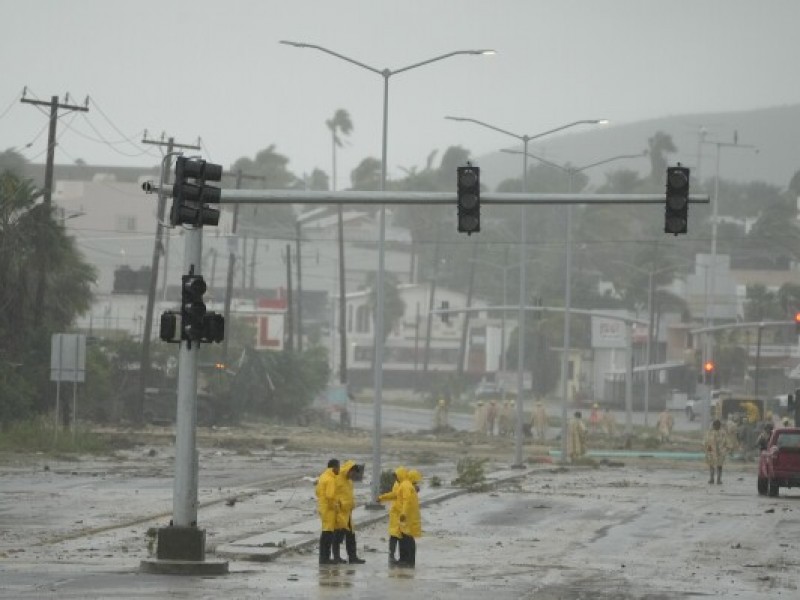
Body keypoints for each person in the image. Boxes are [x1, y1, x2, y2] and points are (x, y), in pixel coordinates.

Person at [334, 461, 366, 564]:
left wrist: (352, 504)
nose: (353, 475)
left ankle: (353, 557)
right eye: (352, 472)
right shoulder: (337, 479)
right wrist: (340, 505)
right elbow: (332, 495)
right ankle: (336, 557)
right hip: (339, 513)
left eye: (355, 473)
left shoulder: (349, 482)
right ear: (348, 470)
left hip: (348, 513)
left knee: (351, 536)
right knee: (337, 537)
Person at [377, 466, 407, 565]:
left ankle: (402, 557)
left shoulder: (404, 485)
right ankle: (392, 556)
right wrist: (382, 497)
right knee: (394, 535)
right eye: (395, 477)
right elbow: (394, 494)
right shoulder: (397, 484)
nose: (396, 478)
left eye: (397, 476)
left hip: (402, 513)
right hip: (395, 513)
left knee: (402, 536)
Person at [315, 458, 340, 564]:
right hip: (329, 510)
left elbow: (317, 492)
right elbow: (330, 496)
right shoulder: (330, 479)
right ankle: (325, 558)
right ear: (334, 467)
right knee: (328, 535)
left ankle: (323, 557)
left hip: (322, 508)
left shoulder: (323, 477)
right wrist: (335, 507)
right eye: (338, 467)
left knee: (325, 533)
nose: (339, 469)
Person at [397, 468, 422, 568]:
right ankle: (409, 561)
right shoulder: (411, 487)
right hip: (411, 516)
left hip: (407, 516)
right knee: (408, 538)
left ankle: (408, 561)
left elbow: (406, 501)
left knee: (407, 538)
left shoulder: (407, 486)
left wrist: (403, 513)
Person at [704, 419, 730, 485]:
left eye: (717, 425)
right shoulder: (710, 432)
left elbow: (727, 443)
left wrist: (725, 450)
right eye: (715, 425)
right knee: (712, 465)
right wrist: (709, 451)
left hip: (720, 452)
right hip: (712, 452)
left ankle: (718, 479)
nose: (716, 427)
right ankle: (712, 479)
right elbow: (707, 442)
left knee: (719, 466)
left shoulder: (722, 433)